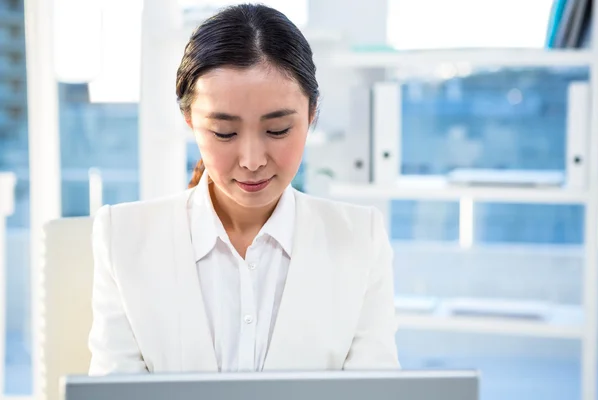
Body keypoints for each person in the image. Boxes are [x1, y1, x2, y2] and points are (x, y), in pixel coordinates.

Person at [88, 3, 399, 375]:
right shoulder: (122, 237)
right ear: (189, 120)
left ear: (312, 114)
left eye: (278, 130)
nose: (252, 160)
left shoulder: (360, 239)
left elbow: (375, 391)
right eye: (224, 133)